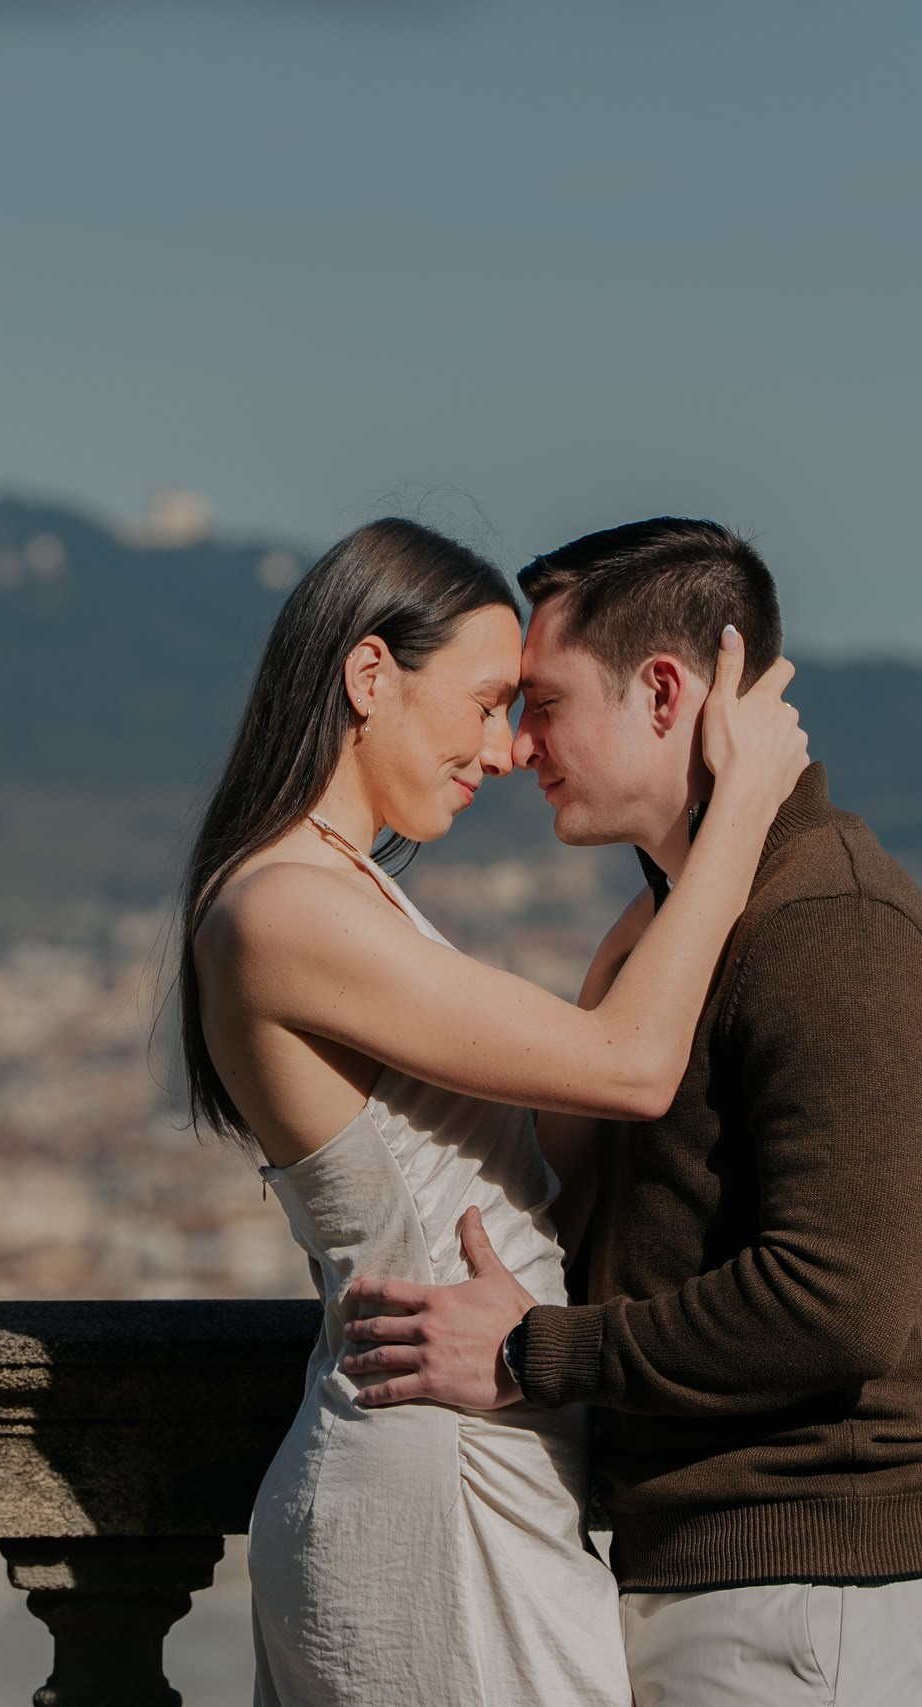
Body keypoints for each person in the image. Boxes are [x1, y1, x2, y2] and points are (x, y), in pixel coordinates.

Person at [339, 518, 922, 1707]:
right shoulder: (683, 935)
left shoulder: (830, 929)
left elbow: (835, 1303)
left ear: (660, 692)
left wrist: (535, 1353)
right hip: (736, 1586)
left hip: (806, 1591)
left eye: (542, 700)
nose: (517, 742)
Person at [180, 516, 808, 1707]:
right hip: (432, 1476)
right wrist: (742, 814)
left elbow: (537, 1145)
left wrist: (682, 830)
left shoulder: (334, 894)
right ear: (371, 676)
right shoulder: (284, 909)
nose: (505, 747)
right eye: (481, 703)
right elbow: (628, 1069)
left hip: (466, 1458)